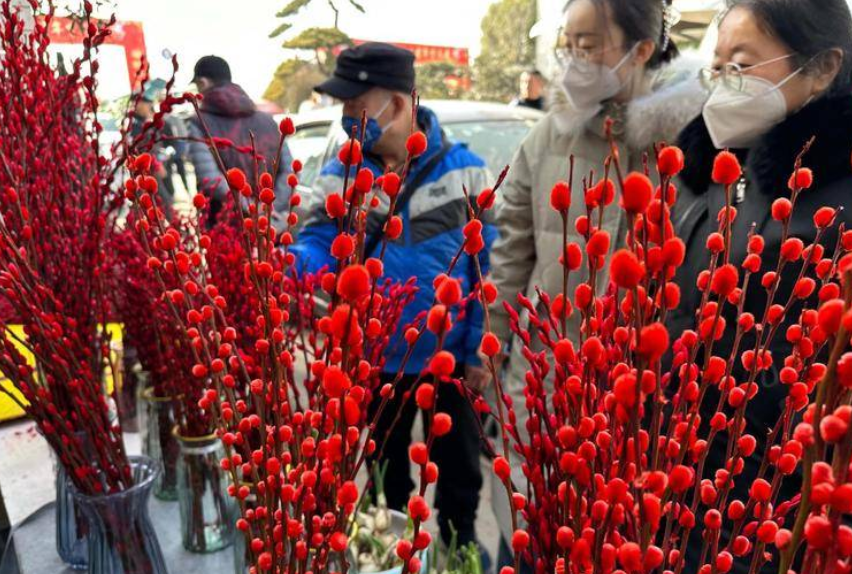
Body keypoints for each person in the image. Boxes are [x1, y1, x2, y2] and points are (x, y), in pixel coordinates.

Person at [487, 0, 706, 568]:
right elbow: (511, 251)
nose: (576, 59)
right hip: (543, 368)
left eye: (591, 45)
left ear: (640, 49)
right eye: (569, 45)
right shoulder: (544, 141)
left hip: (639, 394)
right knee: (532, 533)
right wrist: (492, 345)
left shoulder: (691, 148)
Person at [289, 42, 495, 558]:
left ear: (398, 105)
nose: (347, 119)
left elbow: (485, 267)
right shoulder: (341, 172)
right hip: (378, 353)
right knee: (387, 467)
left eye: (357, 107)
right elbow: (317, 238)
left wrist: (476, 350)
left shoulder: (465, 170)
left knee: (459, 468)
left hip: (449, 356)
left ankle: (458, 549)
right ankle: (402, 554)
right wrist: (296, 266)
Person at [670, 0, 852, 570]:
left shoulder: (837, 193)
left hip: (784, 499)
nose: (724, 83)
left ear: (822, 68)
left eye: (742, 65)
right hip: (689, 471)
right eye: (717, 66)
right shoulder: (709, 172)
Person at [186, 55, 292, 227]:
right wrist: (270, 207)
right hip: (269, 223)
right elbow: (288, 170)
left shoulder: (200, 122)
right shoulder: (268, 120)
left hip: (225, 226)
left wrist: (252, 208)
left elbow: (210, 179)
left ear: (203, 83)